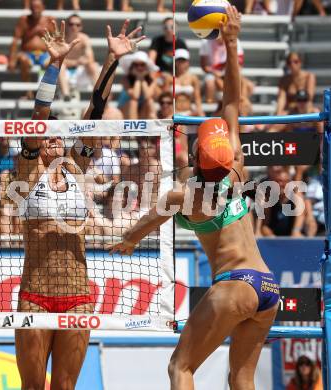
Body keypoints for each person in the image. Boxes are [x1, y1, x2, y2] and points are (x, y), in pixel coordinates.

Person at [110, 8, 279, 390]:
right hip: (267, 285)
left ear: (194, 154)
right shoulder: (236, 167)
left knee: (180, 368)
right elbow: (232, 100)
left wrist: (129, 240)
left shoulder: (183, 195)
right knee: (241, 377)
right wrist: (231, 41)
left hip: (233, 284)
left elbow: (145, 223)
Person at [14, 18, 144, 389]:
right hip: (35, 296)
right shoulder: (26, 172)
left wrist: (112, 59)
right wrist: (54, 65)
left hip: (77, 296)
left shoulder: (76, 166)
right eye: (48, 136)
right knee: (33, 387)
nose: (55, 139)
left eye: (59, 135)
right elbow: (39, 117)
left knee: (66, 387)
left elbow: (95, 110)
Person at [8, 0, 54, 91]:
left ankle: (47, 92)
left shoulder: (49, 20)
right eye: (33, 7)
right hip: (27, 54)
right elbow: (15, 40)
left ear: (43, 8)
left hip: (44, 54)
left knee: (54, 63)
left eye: (37, 7)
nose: (35, 10)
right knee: (23, 60)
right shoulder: (24, 20)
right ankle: (28, 91)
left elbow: (56, 40)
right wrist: (12, 59)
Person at [58, 14, 99, 100]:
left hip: (79, 70)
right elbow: (57, 60)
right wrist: (76, 62)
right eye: (71, 24)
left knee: (93, 66)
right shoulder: (61, 39)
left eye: (77, 25)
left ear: (81, 27)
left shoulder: (84, 38)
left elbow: (90, 59)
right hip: (64, 71)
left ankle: (98, 94)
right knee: (60, 66)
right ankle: (66, 95)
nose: (74, 27)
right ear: (66, 26)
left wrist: (70, 62)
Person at [200, 35, 244, 103]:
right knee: (210, 83)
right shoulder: (205, 42)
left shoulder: (234, 41)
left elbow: (239, 65)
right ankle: (237, 99)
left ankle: (238, 101)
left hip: (227, 72)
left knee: (243, 82)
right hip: (213, 73)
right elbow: (204, 66)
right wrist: (215, 73)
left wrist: (226, 73)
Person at [118, 50, 159, 119]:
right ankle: (134, 128)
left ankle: (152, 127)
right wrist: (139, 78)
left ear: (146, 66)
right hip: (125, 109)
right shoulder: (125, 79)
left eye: (142, 65)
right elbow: (135, 96)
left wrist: (141, 78)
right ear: (132, 66)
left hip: (143, 110)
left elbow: (147, 96)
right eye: (136, 65)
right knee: (133, 102)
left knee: (149, 101)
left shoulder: (152, 80)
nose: (139, 67)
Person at [163, 49, 203, 116]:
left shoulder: (193, 78)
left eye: (183, 60)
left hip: (189, 112)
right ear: (175, 62)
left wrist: (200, 112)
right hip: (173, 113)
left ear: (187, 62)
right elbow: (165, 98)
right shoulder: (169, 78)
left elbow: (197, 98)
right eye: (179, 60)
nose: (181, 63)